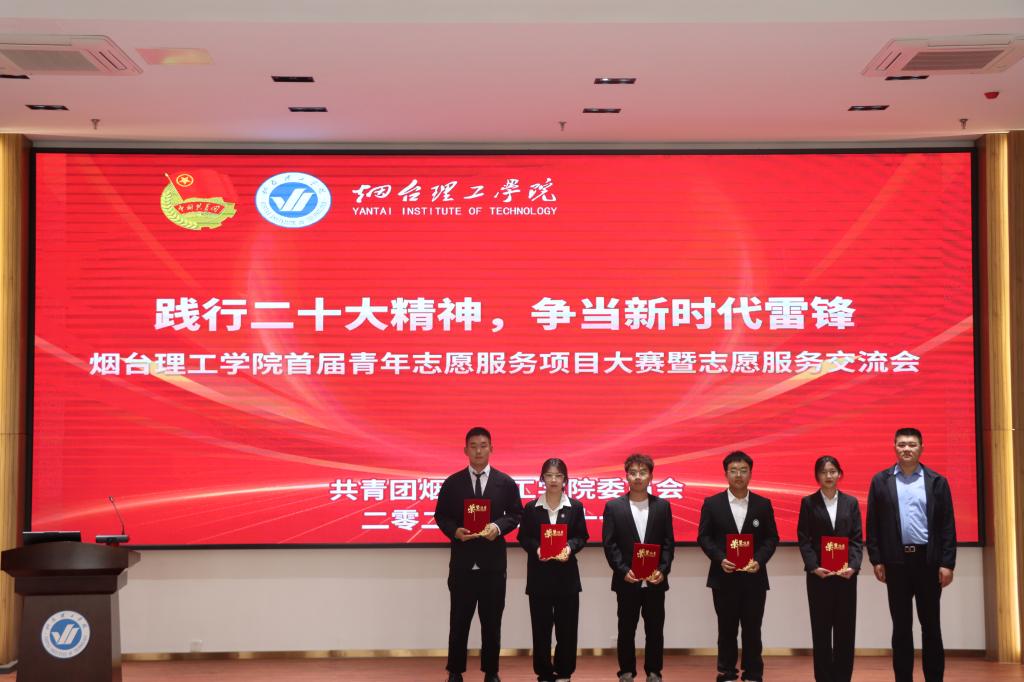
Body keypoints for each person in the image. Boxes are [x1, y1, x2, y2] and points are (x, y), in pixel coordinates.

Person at [434, 427, 525, 682]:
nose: (478, 451)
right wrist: (454, 531)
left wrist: (498, 527)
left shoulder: (505, 482)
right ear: (465, 450)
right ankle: (455, 671)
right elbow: (441, 515)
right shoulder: (453, 483)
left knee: (492, 622)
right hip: (462, 564)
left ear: (491, 449)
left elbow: (516, 514)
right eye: (473, 446)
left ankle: (491, 672)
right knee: (458, 621)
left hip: (492, 565)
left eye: (483, 445)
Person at [866, 427, 956, 682]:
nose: (907, 449)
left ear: (921, 448)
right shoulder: (880, 481)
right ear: (894, 447)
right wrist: (876, 559)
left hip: (928, 562)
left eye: (912, 444)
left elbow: (947, 525)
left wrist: (947, 562)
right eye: (902, 444)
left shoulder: (937, 481)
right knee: (901, 627)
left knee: (931, 627)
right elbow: (872, 523)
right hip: (896, 563)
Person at [697, 451, 779, 682]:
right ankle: (727, 672)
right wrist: (720, 558)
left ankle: (753, 672)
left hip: (754, 578)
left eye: (743, 470)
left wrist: (759, 560)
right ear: (726, 474)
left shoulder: (763, 504)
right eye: (733, 471)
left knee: (753, 628)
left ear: (750, 473)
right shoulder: (712, 504)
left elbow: (771, 538)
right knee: (727, 629)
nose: (738, 475)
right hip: (724, 577)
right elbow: (704, 537)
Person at [601, 453, 675, 682]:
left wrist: (662, 569)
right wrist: (623, 570)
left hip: (654, 581)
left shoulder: (662, 506)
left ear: (651, 476)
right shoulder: (614, 507)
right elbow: (610, 544)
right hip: (627, 580)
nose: (638, 477)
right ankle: (626, 671)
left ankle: (654, 671)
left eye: (643, 472)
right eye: (633, 473)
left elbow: (668, 543)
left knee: (655, 630)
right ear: (626, 477)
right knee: (626, 629)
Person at [518, 458, 589, 682]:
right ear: (542, 478)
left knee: (567, 629)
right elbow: (523, 537)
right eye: (549, 475)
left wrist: (570, 547)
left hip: (567, 578)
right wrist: (537, 549)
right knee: (541, 629)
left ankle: (564, 671)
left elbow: (581, 536)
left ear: (565, 479)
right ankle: (544, 672)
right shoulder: (531, 508)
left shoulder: (575, 507)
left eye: (558, 476)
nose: (554, 480)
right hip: (539, 578)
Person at [796, 455, 864, 682]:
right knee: (821, 630)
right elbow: (804, 539)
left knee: (845, 631)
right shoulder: (808, 503)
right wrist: (813, 567)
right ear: (817, 476)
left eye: (833, 471)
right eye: (824, 472)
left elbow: (856, 539)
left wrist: (853, 566)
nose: (828, 476)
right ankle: (824, 678)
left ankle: (843, 677)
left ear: (839, 474)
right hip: (819, 577)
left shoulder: (851, 502)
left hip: (846, 577)